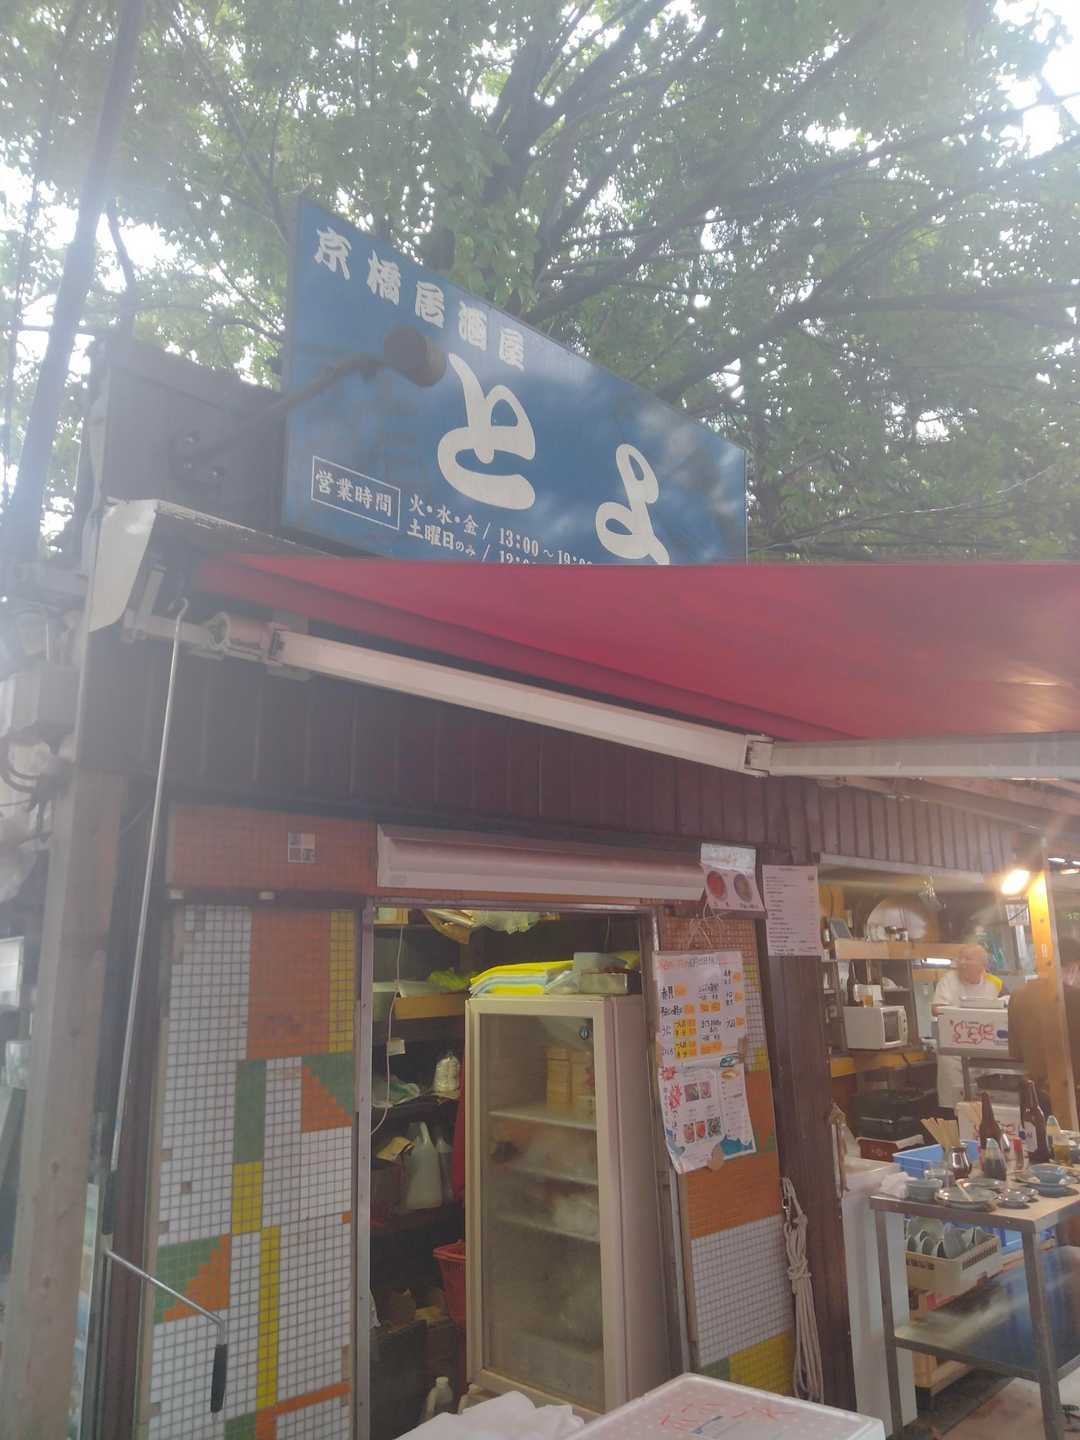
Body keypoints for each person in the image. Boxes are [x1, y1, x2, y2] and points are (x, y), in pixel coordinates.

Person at [1008, 937, 1080, 1106]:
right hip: (1072, 1098)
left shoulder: (1018, 996)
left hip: (1036, 1096)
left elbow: (1016, 1053)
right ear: (1073, 967)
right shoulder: (1075, 998)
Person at [932, 942, 1001, 1109]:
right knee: (956, 1104)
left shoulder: (994, 984)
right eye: (960, 958)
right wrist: (965, 1015)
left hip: (983, 1052)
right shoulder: (949, 980)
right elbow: (936, 1009)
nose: (962, 962)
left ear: (983, 964)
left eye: (968, 958)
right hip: (953, 1054)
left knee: (985, 1105)